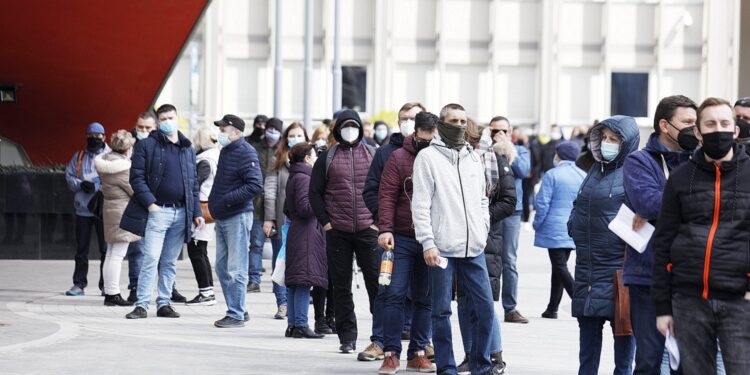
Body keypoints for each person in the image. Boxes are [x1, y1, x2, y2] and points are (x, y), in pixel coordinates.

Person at [652, 97, 750, 375]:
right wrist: (663, 307)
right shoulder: (681, 178)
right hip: (689, 299)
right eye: (709, 124)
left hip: (739, 300)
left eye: (724, 123)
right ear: (698, 132)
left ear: (735, 130)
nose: (717, 129)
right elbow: (664, 242)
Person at [412, 103, 505, 375]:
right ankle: (446, 367)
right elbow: (420, 205)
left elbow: (482, 198)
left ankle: (481, 364)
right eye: (454, 120)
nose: (460, 125)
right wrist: (428, 242)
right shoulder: (427, 158)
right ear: (442, 123)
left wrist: (482, 228)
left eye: (464, 121)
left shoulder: (473, 157)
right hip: (441, 249)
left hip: (473, 247)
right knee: (441, 312)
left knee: (485, 308)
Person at [622, 95, 698, 374]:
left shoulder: (699, 161)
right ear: (665, 125)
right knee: (649, 359)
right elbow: (647, 204)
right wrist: (691, 199)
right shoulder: (640, 161)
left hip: (691, 274)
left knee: (687, 361)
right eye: (687, 122)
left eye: (696, 123)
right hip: (648, 275)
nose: (695, 129)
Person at [568, 115, 639, 375]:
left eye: (614, 139)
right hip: (587, 272)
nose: (607, 143)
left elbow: (644, 218)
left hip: (618, 275)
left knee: (623, 353)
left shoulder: (634, 172)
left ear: (627, 142)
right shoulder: (594, 171)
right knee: (587, 355)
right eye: (605, 138)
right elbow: (578, 204)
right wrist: (572, 225)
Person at [309, 109, 382, 356]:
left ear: (361, 128)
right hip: (337, 231)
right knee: (341, 287)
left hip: (368, 230)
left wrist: (377, 222)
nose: (350, 130)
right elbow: (314, 193)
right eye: (345, 126)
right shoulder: (327, 157)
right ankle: (347, 337)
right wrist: (326, 223)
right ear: (337, 130)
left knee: (376, 285)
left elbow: (385, 190)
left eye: (354, 125)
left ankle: (380, 337)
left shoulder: (373, 154)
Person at [121, 104, 204, 319]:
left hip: (181, 213)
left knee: (168, 261)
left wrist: (196, 212)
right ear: (158, 122)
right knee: (150, 258)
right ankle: (141, 304)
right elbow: (136, 178)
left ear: (177, 118)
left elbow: (193, 183)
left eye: (171, 117)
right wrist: (151, 204)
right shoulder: (147, 145)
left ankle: (164, 303)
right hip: (157, 212)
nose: (167, 121)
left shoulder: (187, 147)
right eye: (163, 118)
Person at [376, 111, 438, 375]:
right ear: (417, 132)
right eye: (426, 135)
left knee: (425, 298)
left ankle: (419, 352)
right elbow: (387, 195)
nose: (430, 140)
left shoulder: (439, 156)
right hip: (400, 238)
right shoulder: (398, 157)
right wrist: (385, 229)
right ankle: (391, 353)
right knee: (393, 294)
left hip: (429, 239)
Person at [455, 117, 517, 374]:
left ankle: (495, 355)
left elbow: (509, 200)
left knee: (483, 301)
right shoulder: (454, 162)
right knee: (463, 300)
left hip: (486, 238)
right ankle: (470, 354)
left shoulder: (495, 161)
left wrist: (481, 217)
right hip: (459, 238)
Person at [363, 102, 425, 344]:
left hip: (424, 235)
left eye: (414, 118)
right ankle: (380, 341)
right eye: (404, 118)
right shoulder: (386, 152)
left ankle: (420, 341)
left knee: (422, 293)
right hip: (392, 235)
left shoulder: (433, 152)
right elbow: (372, 191)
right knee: (387, 288)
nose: (408, 122)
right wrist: (386, 219)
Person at [208, 114, 263, 327]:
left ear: (236, 132)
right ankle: (239, 307)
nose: (220, 133)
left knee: (236, 267)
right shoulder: (228, 150)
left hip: (237, 216)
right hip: (223, 216)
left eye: (223, 129)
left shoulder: (245, 151)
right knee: (222, 267)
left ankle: (236, 313)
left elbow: (255, 185)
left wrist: (227, 200)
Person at [533, 141, 585, 319]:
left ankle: (579, 299)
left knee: (560, 266)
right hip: (574, 227)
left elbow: (542, 202)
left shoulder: (552, 174)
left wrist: (537, 224)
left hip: (554, 227)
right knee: (558, 268)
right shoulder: (582, 175)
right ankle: (552, 308)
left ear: (559, 155)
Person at [488, 116, 531, 323]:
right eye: (494, 131)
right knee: (489, 257)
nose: (498, 135)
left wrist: (508, 150)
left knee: (509, 260)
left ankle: (510, 307)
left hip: (513, 211)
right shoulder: (485, 150)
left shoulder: (521, 150)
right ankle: (486, 303)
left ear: (510, 131)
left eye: (503, 131)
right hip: (490, 210)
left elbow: (523, 171)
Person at [264, 122, 309, 319]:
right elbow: (270, 191)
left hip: (305, 222)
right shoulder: (279, 160)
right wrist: (269, 218)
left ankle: (298, 302)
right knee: (280, 261)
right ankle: (282, 303)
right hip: (284, 220)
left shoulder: (311, 160)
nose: (296, 138)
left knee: (301, 263)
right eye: (292, 135)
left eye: (300, 135)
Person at [283, 143, 327, 339]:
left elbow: (287, 208)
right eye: (313, 155)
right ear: (306, 159)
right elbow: (305, 208)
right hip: (306, 234)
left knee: (295, 280)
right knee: (303, 280)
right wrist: (321, 199)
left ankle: (293, 324)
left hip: (299, 232)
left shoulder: (295, 176)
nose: (316, 158)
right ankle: (300, 323)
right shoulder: (304, 178)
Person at [64, 122, 110, 296]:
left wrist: (98, 186)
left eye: (98, 135)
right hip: (82, 210)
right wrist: (80, 184)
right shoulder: (79, 156)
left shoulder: (110, 156)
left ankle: (106, 285)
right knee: (81, 249)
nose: (94, 138)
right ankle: (79, 284)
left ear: (104, 137)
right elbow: (68, 176)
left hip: (102, 211)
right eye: (91, 135)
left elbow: (117, 177)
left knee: (105, 250)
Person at [95, 130, 140, 306]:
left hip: (110, 211)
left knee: (111, 253)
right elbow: (134, 190)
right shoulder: (122, 168)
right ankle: (113, 294)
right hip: (122, 213)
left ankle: (109, 293)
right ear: (127, 149)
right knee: (117, 255)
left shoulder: (105, 162)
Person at [246, 116, 282, 293]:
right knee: (256, 244)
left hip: (279, 207)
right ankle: (254, 279)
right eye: (270, 129)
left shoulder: (283, 151)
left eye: (276, 130)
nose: (272, 133)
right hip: (257, 205)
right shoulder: (255, 148)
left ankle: (278, 282)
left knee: (279, 246)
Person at [185, 126, 220, 306]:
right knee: (202, 251)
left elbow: (195, 185)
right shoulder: (216, 156)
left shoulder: (205, 160)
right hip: (209, 210)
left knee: (196, 251)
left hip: (201, 211)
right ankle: (208, 291)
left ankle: (205, 292)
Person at [125, 112, 158, 303]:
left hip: (157, 204)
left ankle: (168, 289)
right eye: (140, 127)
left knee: (160, 252)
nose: (143, 131)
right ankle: (135, 287)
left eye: (148, 128)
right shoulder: (130, 146)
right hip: (137, 203)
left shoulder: (161, 146)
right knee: (137, 249)